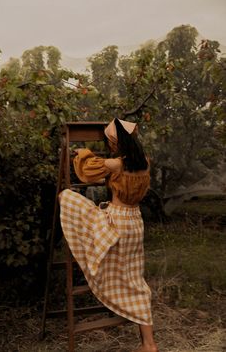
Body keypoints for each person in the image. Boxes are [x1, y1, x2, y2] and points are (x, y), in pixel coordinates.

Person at [59, 118, 159, 352]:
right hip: (136, 223)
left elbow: (86, 171)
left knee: (66, 197)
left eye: (111, 142)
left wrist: (82, 151)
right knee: (136, 282)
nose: (110, 146)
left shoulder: (116, 164)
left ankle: (107, 289)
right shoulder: (145, 161)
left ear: (116, 142)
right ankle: (149, 344)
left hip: (117, 222)